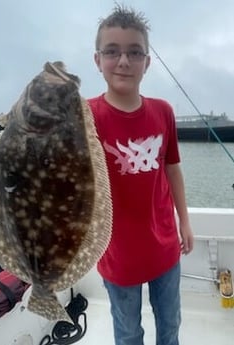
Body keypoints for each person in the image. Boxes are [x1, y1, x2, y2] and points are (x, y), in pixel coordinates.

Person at [87, 4, 194, 345]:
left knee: (170, 326)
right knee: (128, 332)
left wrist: (185, 221)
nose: (123, 61)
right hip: (116, 255)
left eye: (135, 52)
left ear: (147, 62)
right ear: (97, 60)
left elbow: (172, 167)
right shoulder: (84, 115)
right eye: (112, 51)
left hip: (164, 248)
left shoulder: (163, 111)